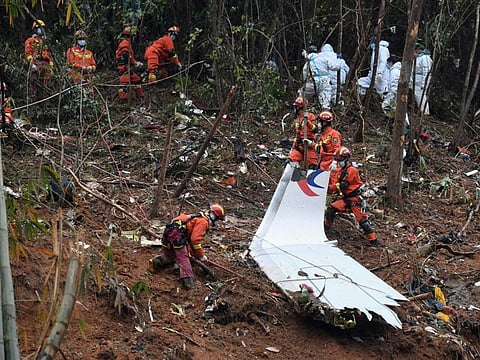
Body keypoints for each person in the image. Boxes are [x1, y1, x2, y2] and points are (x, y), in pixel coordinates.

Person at [150, 204, 226, 289]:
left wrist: (193, 253)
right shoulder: (203, 221)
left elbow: (190, 240)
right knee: (183, 257)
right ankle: (188, 282)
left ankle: (158, 261)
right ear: (214, 216)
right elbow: (195, 240)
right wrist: (201, 255)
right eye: (218, 219)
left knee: (171, 254)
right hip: (177, 234)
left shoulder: (197, 217)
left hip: (169, 231)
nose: (217, 222)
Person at [325, 147, 378, 246]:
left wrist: (331, 188)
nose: (338, 162)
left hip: (355, 200)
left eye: (340, 159)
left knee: (362, 221)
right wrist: (330, 174)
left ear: (345, 158)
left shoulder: (352, 170)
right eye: (337, 159)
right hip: (346, 199)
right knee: (331, 209)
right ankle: (326, 228)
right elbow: (335, 183)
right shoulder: (340, 170)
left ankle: (373, 240)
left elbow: (343, 185)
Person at [303, 44, 343, 109]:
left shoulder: (307, 62)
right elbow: (335, 67)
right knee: (325, 102)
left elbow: (304, 75)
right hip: (324, 82)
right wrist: (339, 59)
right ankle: (325, 114)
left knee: (302, 97)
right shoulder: (323, 58)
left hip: (311, 82)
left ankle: (300, 113)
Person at [286, 97, 319, 170]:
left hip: (309, 145)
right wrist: (293, 147)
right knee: (290, 161)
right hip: (299, 145)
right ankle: (292, 179)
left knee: (312, 167)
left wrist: (308, 122)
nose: (295, 109)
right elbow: (297, 134)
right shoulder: (297, 119)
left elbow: (315, 129)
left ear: (300, 107)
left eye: (296, 107)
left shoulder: (310, 116)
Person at [24, 20, 54, 98]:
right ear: (35, 29)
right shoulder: (30, 40)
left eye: (42, 28)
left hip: (45, 64)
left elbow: (49, 54)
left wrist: (51, 65)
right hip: (36, 63)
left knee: (46, 83)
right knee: (34, 82)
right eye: (39, 28)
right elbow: (28, 53)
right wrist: (32, 63)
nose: (41, 30)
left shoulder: (45, 42)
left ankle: (45, 102)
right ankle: (33, 101)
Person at [115, 26, 144, 101]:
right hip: (124, 68)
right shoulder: (125, 43)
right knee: (124, 85)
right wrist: (134, 63)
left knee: (136, 80)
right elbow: (125, 54)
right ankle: (123, 100)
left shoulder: (127, 43)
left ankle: (140, 97)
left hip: (128, 68)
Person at [413, 43, 433, 115]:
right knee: (418, 95)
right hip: (416, 81)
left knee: (422, 96)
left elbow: (426, 72)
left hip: (421, 81)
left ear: (418, 50)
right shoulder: (418, 58)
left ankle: (425, 112)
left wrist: (424, 83)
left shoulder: (425, 58)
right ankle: (421, 111)